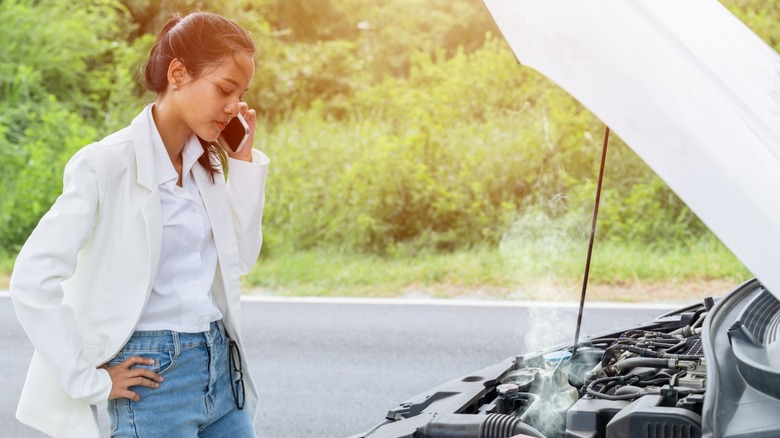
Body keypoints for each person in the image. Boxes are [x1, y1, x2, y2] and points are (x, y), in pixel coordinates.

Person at [10, 11, 267, 438]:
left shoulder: (206, 166)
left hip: (222, 373)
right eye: (225, 89)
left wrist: (241, 165)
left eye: (241, 94)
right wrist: (87, 379)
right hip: (153, 384)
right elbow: (32, 278)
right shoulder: (105, 163)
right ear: (179, 74)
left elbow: (243, 257)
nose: (233, 107)